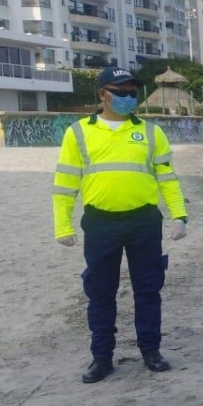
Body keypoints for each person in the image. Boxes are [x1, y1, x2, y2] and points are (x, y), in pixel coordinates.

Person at [52, 67, 189, 383]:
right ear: (103, 94)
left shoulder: (152, 133)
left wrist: (180, 216)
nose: (129, 98)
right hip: (100, 224)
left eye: (132, 93)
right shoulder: (78, 133)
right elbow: (64, 184)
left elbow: (167, 179)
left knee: (148, 289)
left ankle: (150, 351)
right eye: (121, 92)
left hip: (144, 221)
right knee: (100, 292)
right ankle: (102, 358)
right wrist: (63, 226)